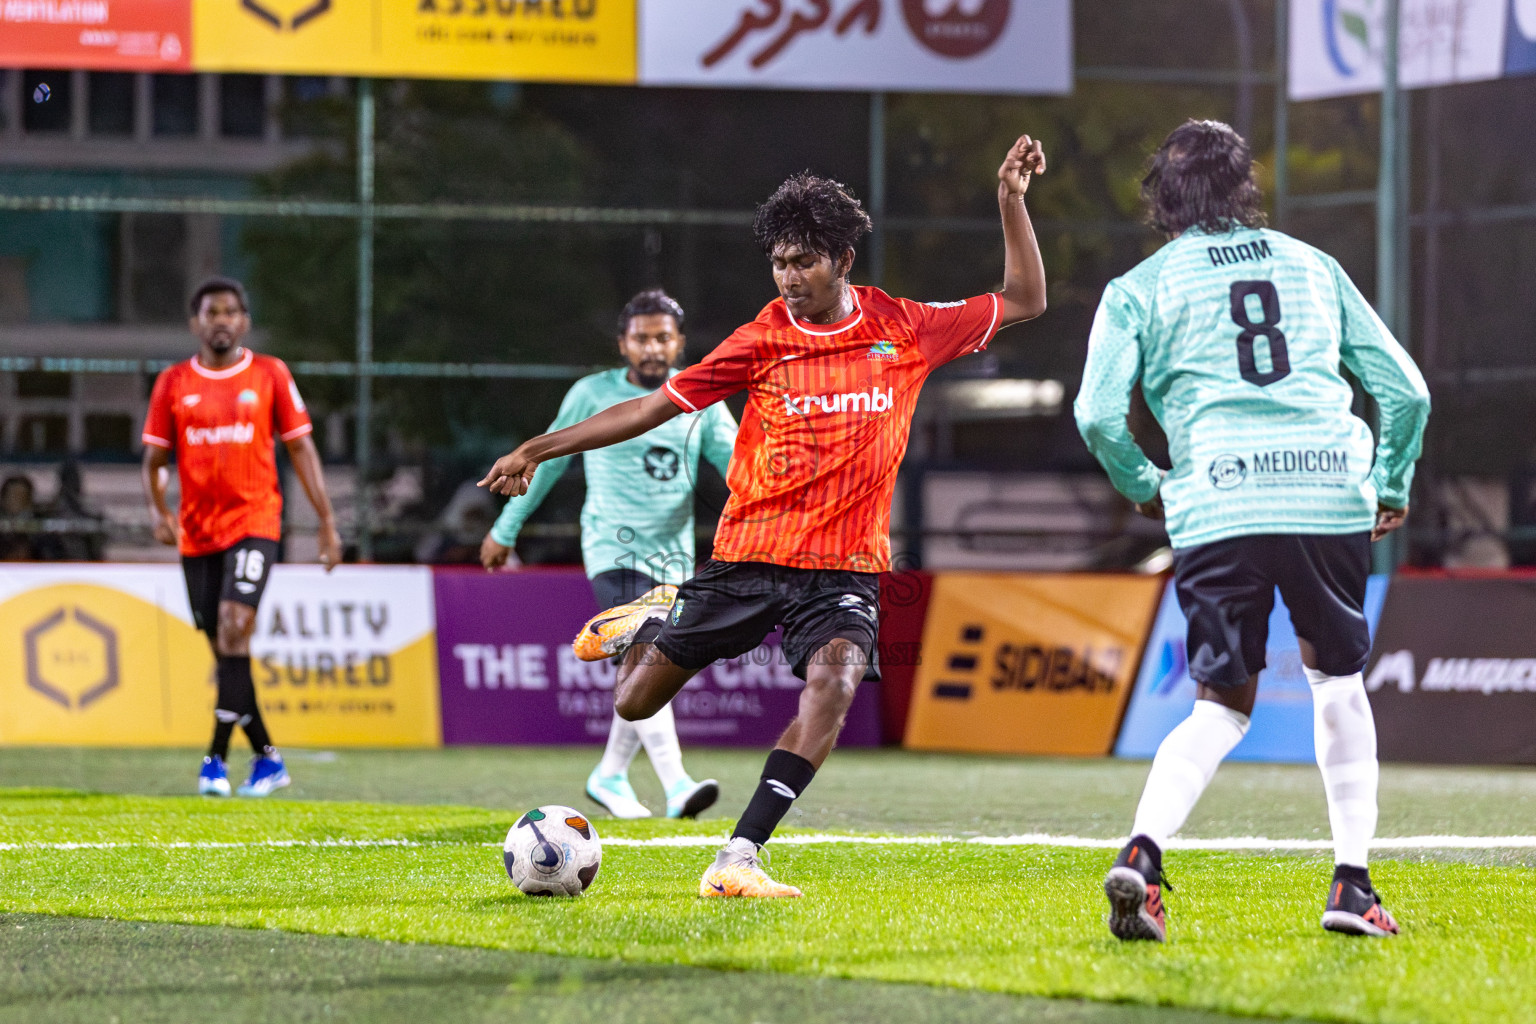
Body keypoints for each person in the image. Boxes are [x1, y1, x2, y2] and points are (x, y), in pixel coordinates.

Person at [481, 136, 1048, 896]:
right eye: (778, 262)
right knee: (632, 698)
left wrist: (1011, 199)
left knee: (837, 684)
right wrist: (540, 449)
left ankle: (739, 856)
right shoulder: (761, 338)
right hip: (751, 555)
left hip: (844, 567)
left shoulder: (905, 327)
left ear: (843, 259)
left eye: (803, 261)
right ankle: (654, 617)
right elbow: (651, 406)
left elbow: (1025, 299)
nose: (788, 277)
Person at [1074, 120, 1430, 942]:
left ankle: (1145, 852)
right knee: (1337, 683)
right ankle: (1352, 886)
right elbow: (1406, 392)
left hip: (1216, 499)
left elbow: (1096, 413)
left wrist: (1147, 487)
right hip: (1323, 491)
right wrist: (1392, 482)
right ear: (1245, 187)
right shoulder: (1314, 265)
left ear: (1161, 197)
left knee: (1219, 707)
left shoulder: (1140, 286)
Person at [481, 289, 737, 820]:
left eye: (662, 338)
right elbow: (548, 461)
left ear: (679, 343)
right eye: (641, 338)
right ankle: (677, 785)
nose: (652, 347)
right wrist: (506, 530)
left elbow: (739, 471)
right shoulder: (591, 394)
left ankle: (610, 774)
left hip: (671, 563)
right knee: (643, 650)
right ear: (623, 343)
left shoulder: (702, 403)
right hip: (610, 550)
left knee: (646, 665)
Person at [141, 276, 343, 799]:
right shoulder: (173, 382)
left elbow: (301, 450)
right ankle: (268, 758)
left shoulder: (271, 374)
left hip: (255, 523)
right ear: (196, 322)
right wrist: (157, 510)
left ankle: (214, 758)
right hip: (197, 534)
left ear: (244, 321)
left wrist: (326, 521)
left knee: (235, 626)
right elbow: (155, 460)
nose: (222, 319)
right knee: (226, 648)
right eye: (212, 312)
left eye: (231, 311)